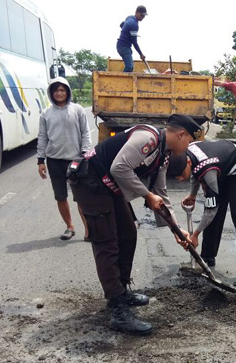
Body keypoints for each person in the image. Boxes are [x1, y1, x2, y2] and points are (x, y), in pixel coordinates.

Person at [67, 114, 201, 336]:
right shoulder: (147, 139)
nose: (189, 147)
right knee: (107, 243)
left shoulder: (162, 155)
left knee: (128, 234)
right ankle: (117, 308)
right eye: (189, 141)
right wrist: (146, 195)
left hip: (110, 186)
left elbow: (161, 196)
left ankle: (122, 290)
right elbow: (119, 168)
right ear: (181, 134)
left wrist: (177, 230)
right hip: (91, 182)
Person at [174, 140, 236, 286]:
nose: (180, 179)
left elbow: (210, 209)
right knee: (216, 215)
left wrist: (195, 234)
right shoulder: (188, 152)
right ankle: (207, 257)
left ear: (186, 163)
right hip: (222, 167)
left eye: (180, 175)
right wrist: (193, 195)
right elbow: (196, 173)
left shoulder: (208, 168)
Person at [37, 77, 91, 241]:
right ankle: (70, 227)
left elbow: (85, 133)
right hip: (54, 161)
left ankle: (89, 230)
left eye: (62, 90)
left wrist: (85, 154)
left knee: (82, 197)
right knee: (60, 196)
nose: (59, 93)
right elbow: (42, 138)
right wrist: (41, 160)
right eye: (56, 90)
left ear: (67, 92)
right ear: (51, 93)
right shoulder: (46, 114)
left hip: (76, 160)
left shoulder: (77, 109)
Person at [117, 5, 147, 73]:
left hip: (121, 45)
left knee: (130, 66)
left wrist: (128, 33)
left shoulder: (130, 17)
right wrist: (141, 54)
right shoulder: (134, 24)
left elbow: (121, 25)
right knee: (129, 66)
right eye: (141, 15)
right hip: (124, 47)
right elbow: (134, 42)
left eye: (144, 16)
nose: (143, 17)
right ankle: (123, 82)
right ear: (136, 12)